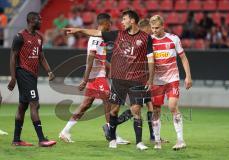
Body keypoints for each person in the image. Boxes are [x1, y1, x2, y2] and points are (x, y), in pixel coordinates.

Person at [63, 10, 155, 150]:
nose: (119, 23)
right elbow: (93, 46)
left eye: (124, 19)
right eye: (112, 22)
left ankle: (137, 142)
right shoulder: (108, 36)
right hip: (107, 78)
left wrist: (150, 78)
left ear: (132, 20)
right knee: (110, 105)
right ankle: (112, 135)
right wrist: (78, 30)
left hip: (125, 78)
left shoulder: (143, 38)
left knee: (89, 104)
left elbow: (150, 59)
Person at [59, 13, 129, 145]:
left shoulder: (100, 37)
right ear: (105, 23)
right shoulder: (96, 39)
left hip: (96, 76)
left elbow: (100, 60)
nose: (111, 25)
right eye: (110, 23)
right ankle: (112, 134)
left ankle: (65, 131)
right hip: (96, 77)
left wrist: (114, 69)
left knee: (85, 105)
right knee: (109, 101)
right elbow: (90, 59)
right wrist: (85, 80)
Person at [7, 12, 56, 147]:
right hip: (24, 73)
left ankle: (16, 140)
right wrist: (13, 78)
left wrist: (49, 71)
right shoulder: (20, 36)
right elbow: (13, 57)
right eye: (39, 20)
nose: (41, 22)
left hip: (32, 76)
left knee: (23, 106)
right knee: (35, 104)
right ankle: (41, 139)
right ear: (32, 21)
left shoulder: (39, 37)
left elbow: (41, 57)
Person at [149, 15, 192, 150]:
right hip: (157, 80)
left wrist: (188, 76)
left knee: (172, 106)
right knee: (156, 110)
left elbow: (183, 58)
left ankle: (180, 140)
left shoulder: (173, 39)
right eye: (152, 28)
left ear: (163, 26)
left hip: (172, 78)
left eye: (156, 28)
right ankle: (157, 141)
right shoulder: (149, 41)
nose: (154, 30)